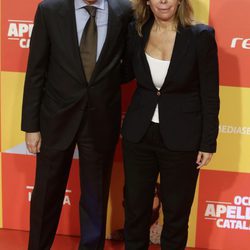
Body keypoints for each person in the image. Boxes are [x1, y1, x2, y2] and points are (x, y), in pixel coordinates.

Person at [21, 0, 131, 249]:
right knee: (47, 192)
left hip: (101, 119)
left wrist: (105, 85)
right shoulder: (49, 10)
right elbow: (36, 71)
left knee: (96, 195)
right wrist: (31, 126)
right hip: (55, 119)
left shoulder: (124, 11)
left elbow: (128, 63)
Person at [121, 0, 220, 249]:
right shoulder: (136, 30)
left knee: (176, 216)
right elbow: (122, 73)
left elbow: (210, 94)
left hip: (183, 137)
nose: (163, 1)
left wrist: (208, 142)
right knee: (135, 211)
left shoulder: (201, 36)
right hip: (138, 135)